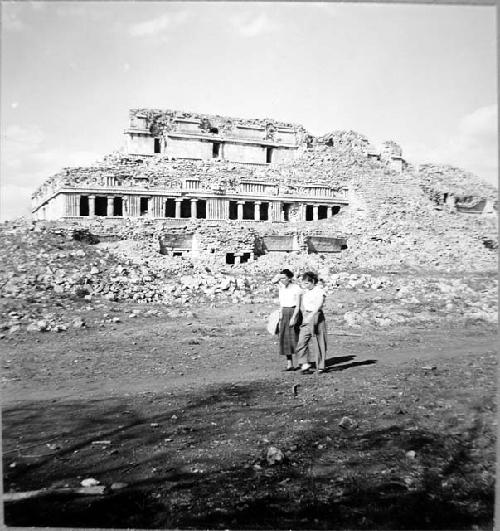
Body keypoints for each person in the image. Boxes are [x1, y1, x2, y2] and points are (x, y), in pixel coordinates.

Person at [295, 271, 327, 374]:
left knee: (319, 341)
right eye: (304, 283)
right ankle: (304, 364)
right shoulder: (306, 291)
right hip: (306, 315)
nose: (305, 285)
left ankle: (321, 366)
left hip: (316, 315)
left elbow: (319, 304)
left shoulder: (319, 291)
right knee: (302, 341)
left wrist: (312, 315)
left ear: (313, 281)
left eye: (307, 283)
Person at [271, 269, 302, 371]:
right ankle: (290, 364)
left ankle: (302, 363)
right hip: (283, 312)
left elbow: (298, 306)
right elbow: (273, 281)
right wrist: (279, 276)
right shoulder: (282, 287)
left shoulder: (296, 288)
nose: (282, 280)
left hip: (293, 312)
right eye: (281, 278)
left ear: (290, 278)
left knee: (295, 338)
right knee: (284, 338)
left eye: (285, 278)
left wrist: (294, 318)